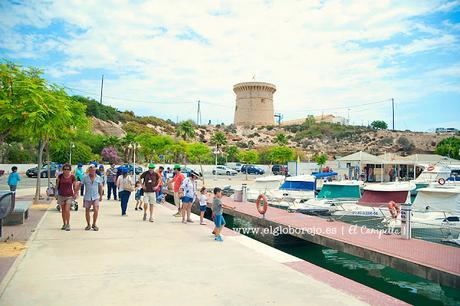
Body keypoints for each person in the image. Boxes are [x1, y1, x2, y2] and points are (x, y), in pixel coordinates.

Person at [56, 163, 78, 231]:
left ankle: (68, 224)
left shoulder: (72, 177)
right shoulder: (60, 176)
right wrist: (56, 193)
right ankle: (64, 224)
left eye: (67, 169)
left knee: (67, 210)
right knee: (63, 211)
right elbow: (57, 185)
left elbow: (74, 186)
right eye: (64, 169)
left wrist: (75, 193)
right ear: (63, 170)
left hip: (69, 196)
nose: (66, 170)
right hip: (61, 195)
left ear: (70, 170)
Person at [82, 164, 103, 231]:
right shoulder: (85, 177)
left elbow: (100, 187)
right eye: (91, 170)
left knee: (96, 210)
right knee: (87, 211)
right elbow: (81, 185)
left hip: (95, 196)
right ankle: (88, 224)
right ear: (89, 171)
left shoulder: (98, 177)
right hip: (87, 196)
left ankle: (94, 224)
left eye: (93, 170)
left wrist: (101, 196)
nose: (92, 172)